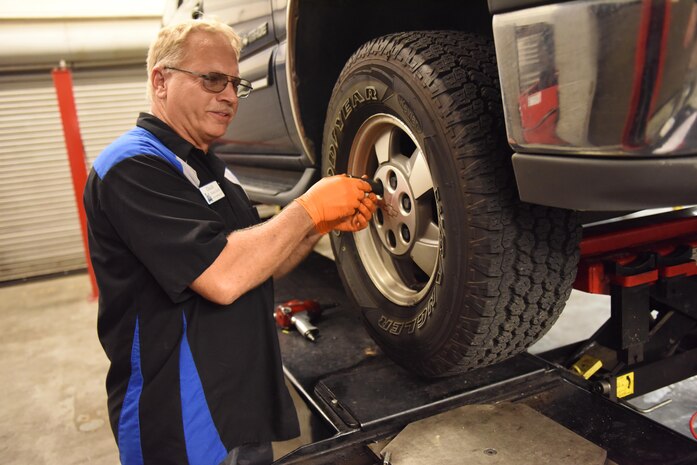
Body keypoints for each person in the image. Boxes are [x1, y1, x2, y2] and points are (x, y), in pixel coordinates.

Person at [83, 18, 377, 465]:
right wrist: (309, 207)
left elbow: (261, 261)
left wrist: (319, 225)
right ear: (160, 81)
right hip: (181, 424)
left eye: (236, 83)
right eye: (213, 79)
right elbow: (222, 276)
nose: (230, 96)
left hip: (239, 409)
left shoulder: (212, 166)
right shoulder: (130, 167)